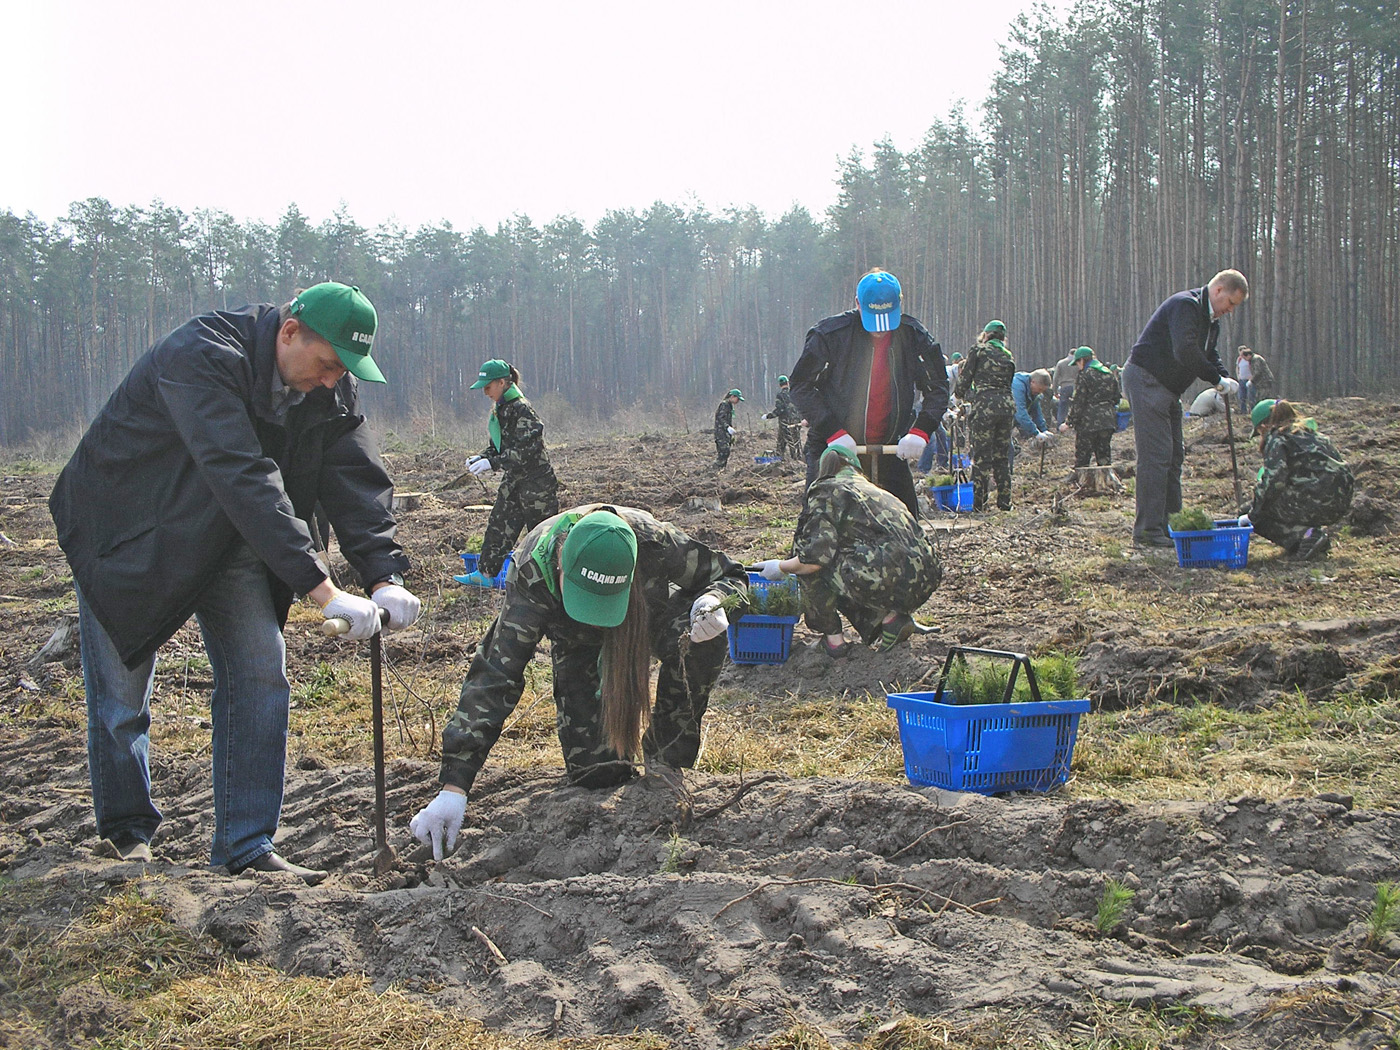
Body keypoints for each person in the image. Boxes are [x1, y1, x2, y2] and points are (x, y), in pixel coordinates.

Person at [49, 282, 421, 884]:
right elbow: (240, 472)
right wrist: (322, 591)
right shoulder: (200, 356)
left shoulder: (330, 385)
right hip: (132, 531)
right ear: (289, 331)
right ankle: (127, 835)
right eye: (327, 364)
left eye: (343, 370)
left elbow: (354, 474)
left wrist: (383, 573)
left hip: (233, 537)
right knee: (121, 696)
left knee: (258, 676)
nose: (332, 380)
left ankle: (245, 845)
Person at [408, 505, 747, 859]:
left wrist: (713, 601)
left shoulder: (654, 542)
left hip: (642, 618)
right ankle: (605, 756)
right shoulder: (532, 572)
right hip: (575, 639)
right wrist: (454, 786)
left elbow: (732, 575)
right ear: (560, 566)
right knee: (597, 773)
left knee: (704, 638)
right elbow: (496, 673)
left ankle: (667, 759)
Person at [789, 269, 948, 518]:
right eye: (873, 317)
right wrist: (832, 431)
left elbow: (937, 386)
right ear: (857, 304)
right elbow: (801, 385)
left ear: (899, 304)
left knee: (905, 524)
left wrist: (921, 430)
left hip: (890, 446)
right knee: (820, 524)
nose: (880, 330)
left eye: (887, 318)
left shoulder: (915, 337)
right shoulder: (830, 336)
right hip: (833, 448)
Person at [756, 446, 940, 658]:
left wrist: (780, 567)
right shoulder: (876, 490)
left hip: (886, 576)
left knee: (811, 558)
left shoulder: (827, 489)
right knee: (851, 557)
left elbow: (814, 558)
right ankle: (891, 618)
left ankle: (834, 640)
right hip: (927, 577)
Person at [1122, 269, 1247, 547]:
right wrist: (1214, 379)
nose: (1231, 310)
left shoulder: (1210, 320)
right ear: (1218, 291)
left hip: (1169, 388)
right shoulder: (1185, 306)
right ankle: (1148, 531)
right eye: (1231, 303)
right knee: (1156, 455)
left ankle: (1171, 525)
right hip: (1147, 379)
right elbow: (1186, 350)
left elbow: (1208, 352)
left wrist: (1224, 377)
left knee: (1174, 454)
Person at [461, 359, 559, 584]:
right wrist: (484, 456)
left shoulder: (521, 408)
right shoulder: (501, 409)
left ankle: (549, 583)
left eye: (488, 387)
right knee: (499, 524)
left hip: (537, 484)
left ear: (502, 383)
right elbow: (499, 445)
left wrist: (493, 463)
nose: (485, 392)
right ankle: (485, 574)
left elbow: (526, 450)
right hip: (515, 480)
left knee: (542, 535)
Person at [1240, 399, 1353, 560]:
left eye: (1259, 432)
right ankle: (1311, 539)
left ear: (1264, 425)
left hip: (1315, 501)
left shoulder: (1277, 437)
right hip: (1340, 501)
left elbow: (1274, 481)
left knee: (1253, 511)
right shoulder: (1310, 432)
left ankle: (1305, 536)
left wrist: (1252, 513)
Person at [956, 320, 1016, 511]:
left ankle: (978, 503)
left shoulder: (979, 351)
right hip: (1006, 408)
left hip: (985, 408)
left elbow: (965, 377)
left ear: (987, 335)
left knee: (982, 456)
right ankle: (1005, 502)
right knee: (1001, 456)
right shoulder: (1008, 356)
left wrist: (959, 395)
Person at [1058, 346, 1120, 467]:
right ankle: (1105, 481)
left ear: (1082, 360)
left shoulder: (1085, 375)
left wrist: (1069, 422)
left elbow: (1079, 401)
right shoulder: (1109, 373)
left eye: (1077, 363)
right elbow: (1116, 397)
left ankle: (1081, 482)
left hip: (1088, 422)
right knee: (1104, 456)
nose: (1077, 366)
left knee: (1083, 456)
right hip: (1107, 420)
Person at [1011, 367, 1056, 471]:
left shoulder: (1033, 392)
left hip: (1008, 421)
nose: (1039, 393)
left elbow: (1036, 411)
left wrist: (1043, 429)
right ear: (1033, 382)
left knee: (1008, 450)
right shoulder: (1017, 386)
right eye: (1039, 389)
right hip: (996, 419)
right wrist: (1035, 432)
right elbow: (1020, 412)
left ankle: (1007, 477)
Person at [762, 375, 803, 460]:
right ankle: (780, 459)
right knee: (792, 441)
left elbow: (780, 410)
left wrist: (768, 416)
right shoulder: (795, 393)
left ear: (780, 385)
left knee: (791, 442)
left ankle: (795, 461)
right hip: (797, 422)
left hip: (785, 423)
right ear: (788, 383)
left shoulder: (780, 395)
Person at [713, 389, 744, 468]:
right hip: (721, 432)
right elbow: (721, 418)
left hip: (725, 433)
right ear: (732, 396)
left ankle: (721, 469)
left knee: (726, 451)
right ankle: (716, 468)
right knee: (724, 451)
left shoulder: (729, 405)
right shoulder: (724, 405)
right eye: (737, 399)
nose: (738, 401)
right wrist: (727, 427)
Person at [1051, 350, 1078, 427]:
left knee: (1062, 407)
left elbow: (1055, 378)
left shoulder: (1061, 363)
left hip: (1064, 387)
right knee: (1076, 406)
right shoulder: (1078, 363)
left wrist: (1055, 391)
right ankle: (1074, 425)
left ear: (1068, 353)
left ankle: (1060, 425)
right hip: (1075, 387)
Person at [1234, 346, 1254, 412]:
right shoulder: (1239, 359)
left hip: (1249, 380)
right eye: (1240, 351)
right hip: (1241, 380)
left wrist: (1252, 377)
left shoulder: (1249, 359)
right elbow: (1237, 367)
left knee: (1251, 396)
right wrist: (1238, 376)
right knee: (1242, 396)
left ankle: (1252, 410)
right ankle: (1243, 411)